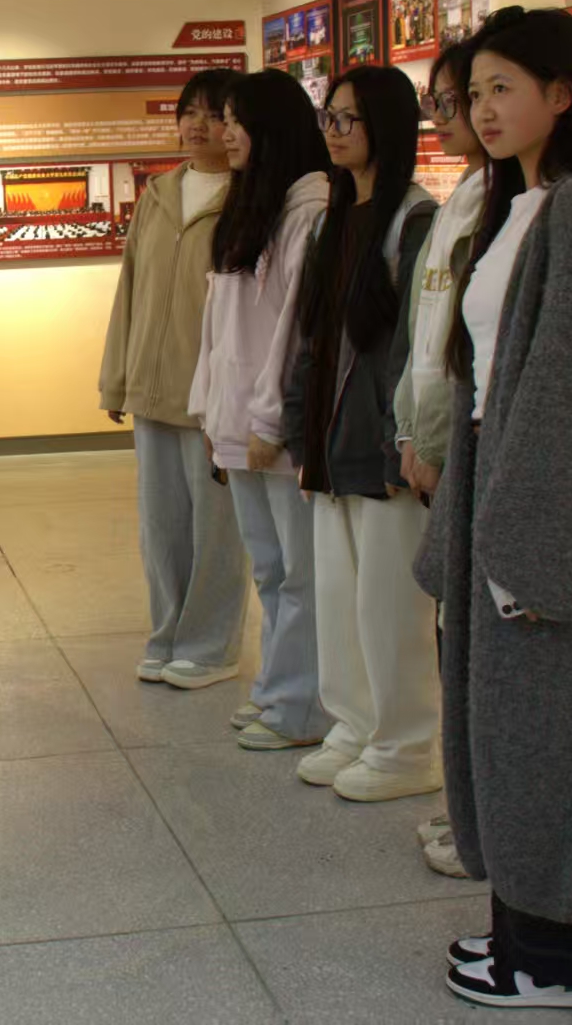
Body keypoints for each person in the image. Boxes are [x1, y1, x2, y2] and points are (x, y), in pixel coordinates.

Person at [414, 7, 572, 1010]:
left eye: (502, 88)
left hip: (546, 518)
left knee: (561, 735)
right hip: (503, 495)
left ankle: (562, 960)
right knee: (515, 732)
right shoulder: (514, 204)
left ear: (562, 94)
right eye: (473, 93)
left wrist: (529, 545)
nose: (482, 109)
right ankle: (522, 928)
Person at [281, 65, 438, 803]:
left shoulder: (416, 220)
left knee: (390, 607)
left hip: (381, 447)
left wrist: (401, 439)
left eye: (348, 118)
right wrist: (298, 430)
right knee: (340, 599)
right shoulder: (332, 218)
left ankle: (404, 746)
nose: (334, 132)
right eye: (329, 118)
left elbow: (416, 348)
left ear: (388, 125)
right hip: (328, 441)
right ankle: (353, 724)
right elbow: (311, 339)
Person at [186, 69, 333, 750]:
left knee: (300, 573)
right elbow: (219, 328)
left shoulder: (310, 211)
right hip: (236, 422)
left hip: (274, 430)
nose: (225, 133)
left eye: (237, 121)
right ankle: (276, 689)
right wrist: (210, 410)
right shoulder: (251, 207)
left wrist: (271, 420)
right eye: (225, 120)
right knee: (270, 569)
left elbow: (295, 333)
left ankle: (303, 707)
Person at [100, 68, 249, 691]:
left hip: (213, 397)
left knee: (217, 530)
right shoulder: (158, 194)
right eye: (189, 112)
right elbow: (130, 288)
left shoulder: (248, 197)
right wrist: (116, 377)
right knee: (160, 529)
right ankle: (166, 634)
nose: (197, 125)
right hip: (153, 389)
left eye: (214, 115)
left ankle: (211, 647)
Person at [394, 36, 490, 873]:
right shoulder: (463, 198)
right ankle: (468, 809)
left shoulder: (528, 204)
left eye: (489, 92)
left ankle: (483, 819)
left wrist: (430, 438)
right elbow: (426, 338)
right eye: (456, 98)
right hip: (439, 439)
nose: (464, 113)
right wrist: (412, 433)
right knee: (454, 640)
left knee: (479, 650)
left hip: (476, 447)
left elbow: (467, 353)